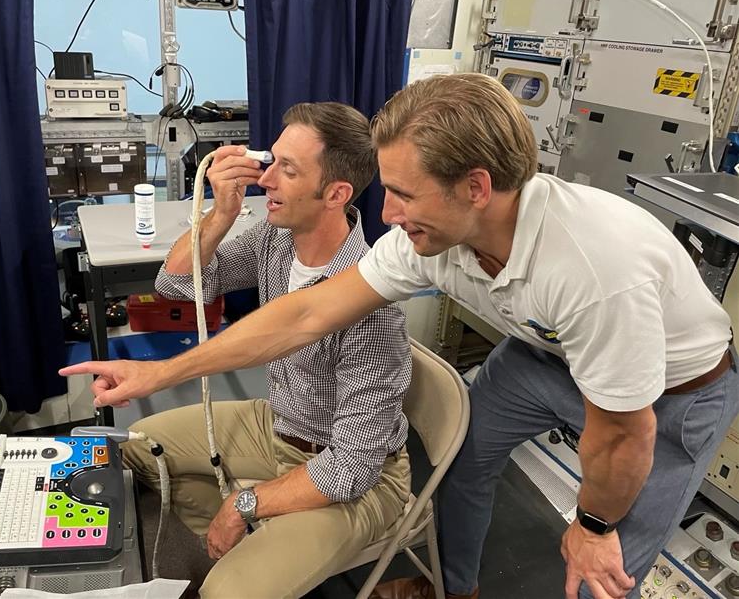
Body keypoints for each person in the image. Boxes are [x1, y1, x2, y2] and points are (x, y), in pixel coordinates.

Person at [62, 74, 739, 599]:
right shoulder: (428, 241)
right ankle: (457, 586)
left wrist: (591, 524)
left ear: (476, 187)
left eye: (403, 195)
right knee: (467, 459)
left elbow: (624, 434)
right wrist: (159, 374)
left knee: (608, 557)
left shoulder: (595, 271)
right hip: (543, 348)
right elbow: (303, 313)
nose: (386, 213)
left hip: (673, 391)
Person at [65, 102, 412, 598]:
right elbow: (176, 283)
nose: (265, 180)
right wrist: (221, 211)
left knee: (225, 593)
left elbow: (351, 468)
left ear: (335, 194)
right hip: (281, 427)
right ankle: (260, 541)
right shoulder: (278, 240)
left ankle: (257, 541)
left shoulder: (372, 307)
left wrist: (244, 504)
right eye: (271, 161)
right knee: (140, 446)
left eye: (287, 170)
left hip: (353, 476)